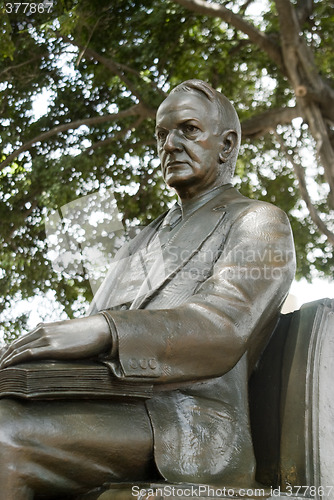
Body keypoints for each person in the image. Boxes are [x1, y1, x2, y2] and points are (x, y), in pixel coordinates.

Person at [0, 80, 296, 499]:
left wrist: (104, 329)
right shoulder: (138, 242)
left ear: (227, 144)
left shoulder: (257, 221)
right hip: (107, 401)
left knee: (5, 439)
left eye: (188, 130)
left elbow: (223, 326)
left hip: (187, 423)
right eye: (161, 134)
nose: (170, 144)